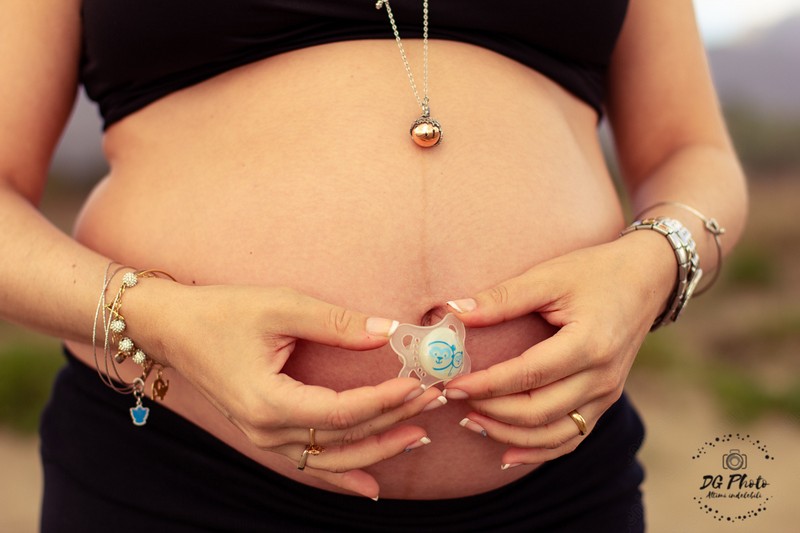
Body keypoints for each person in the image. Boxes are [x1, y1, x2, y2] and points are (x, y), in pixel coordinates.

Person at [0, 0, 747, 531]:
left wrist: (653, 267)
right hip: (178, 473)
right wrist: (160, 320)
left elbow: (692, 152)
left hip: (558, 484)